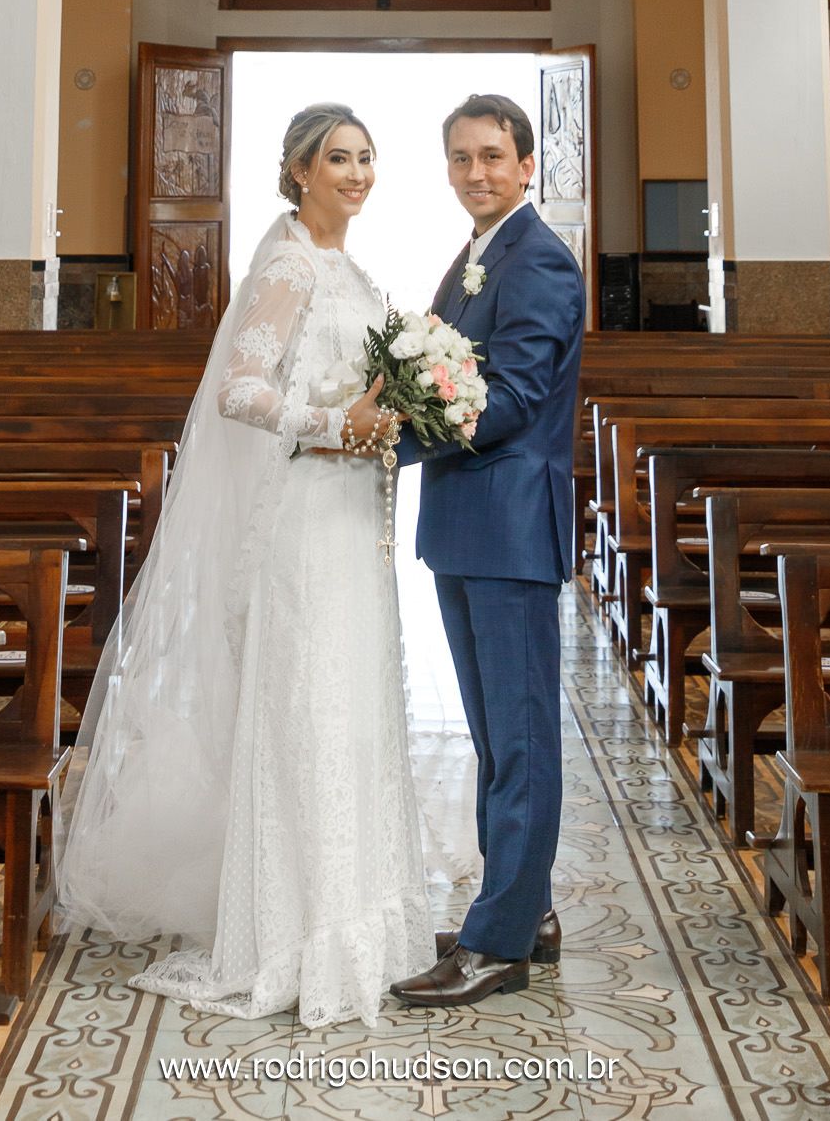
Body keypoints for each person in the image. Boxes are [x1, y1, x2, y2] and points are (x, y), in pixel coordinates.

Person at [55, 102, 436, 1027]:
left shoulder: (348, 267)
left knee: (352, 701)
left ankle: (356, 914)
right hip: (305, 513)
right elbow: (240, 391)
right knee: (308, 700)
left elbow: (358, 382)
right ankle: (293, 927)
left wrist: (394, 409)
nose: (355, 174)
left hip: (353, 513)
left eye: (366, 158)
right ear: (299, 171)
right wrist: (327, 427)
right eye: (337, 158)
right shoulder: (287, 263)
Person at [386, 93, 586, 1009]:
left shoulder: (538, 259)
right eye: (462, 158)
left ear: (525, 163)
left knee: (520, 738)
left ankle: (499, 940)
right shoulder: (477, 256)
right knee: (494, 739)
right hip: (468, 522)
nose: (476, 172)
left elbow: (509, 397)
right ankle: (526, 908)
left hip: (508, 526)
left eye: (493, 157)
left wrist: (391, 439)